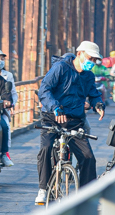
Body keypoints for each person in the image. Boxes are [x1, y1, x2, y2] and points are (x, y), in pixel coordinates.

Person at [36, 41, 105, 205]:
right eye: (90, 58)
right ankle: (43, 189)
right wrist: (55, 107)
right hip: (52, 117)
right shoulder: (60, 68)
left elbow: (93, 94)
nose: (92, 62)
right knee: (45, 148)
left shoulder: (88, 75)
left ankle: (86, 196)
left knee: (88, 157)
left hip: (74, 121)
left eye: (95, 60)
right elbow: (44, 90)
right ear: (80, 53)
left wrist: (98, 104)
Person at [0, 50, 15, 166]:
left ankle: (4, 153)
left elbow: (9, 93)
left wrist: (9, 103)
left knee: (4, 126)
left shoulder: (3, 80)